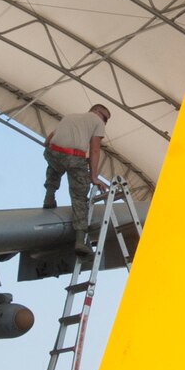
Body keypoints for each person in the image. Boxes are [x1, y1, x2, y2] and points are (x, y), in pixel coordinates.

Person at [42, 103, 109, 258]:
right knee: (79, 196)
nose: (105, 123)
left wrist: (54, 152)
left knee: (54, 166)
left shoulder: (70, 116)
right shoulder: (97, 122)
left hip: (53, 152)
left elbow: (48, 140)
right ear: (97, 112)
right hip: (74, 157)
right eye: (105, 118)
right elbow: (95, 150)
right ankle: (80, 240)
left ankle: (49, 196)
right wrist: (93, 177)